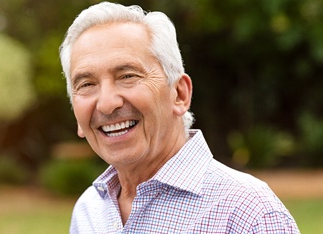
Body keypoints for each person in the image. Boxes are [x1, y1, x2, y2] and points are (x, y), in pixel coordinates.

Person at [59, 2, 300, 233]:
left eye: (128, 76)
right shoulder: (89, 210)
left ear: (179, 94)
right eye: (87, 84)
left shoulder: (249, 213)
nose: (107, 103)